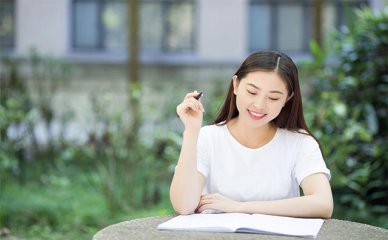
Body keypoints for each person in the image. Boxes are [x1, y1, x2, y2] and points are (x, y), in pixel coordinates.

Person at [171, 51, 333, 218]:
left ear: (288, 99)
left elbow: (323, 204)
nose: (259, 105)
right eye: (252, 92)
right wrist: (191, 132)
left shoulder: (300, 143)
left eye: (273, 98)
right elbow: (184, 205)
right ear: (236, 85)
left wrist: (239, 207)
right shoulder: (208, 138)